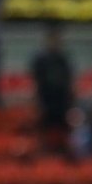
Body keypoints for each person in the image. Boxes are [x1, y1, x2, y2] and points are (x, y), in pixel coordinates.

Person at [31, 22, 74, 154]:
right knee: (44, 127)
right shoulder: (40, 60)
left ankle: (64, 151)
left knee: (64, 128)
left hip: (62, 101)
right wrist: (37, 101)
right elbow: (36, 81)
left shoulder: (63, 60)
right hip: (46, 100)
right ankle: (43, 151)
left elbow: (69, 81)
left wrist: (70, 99)